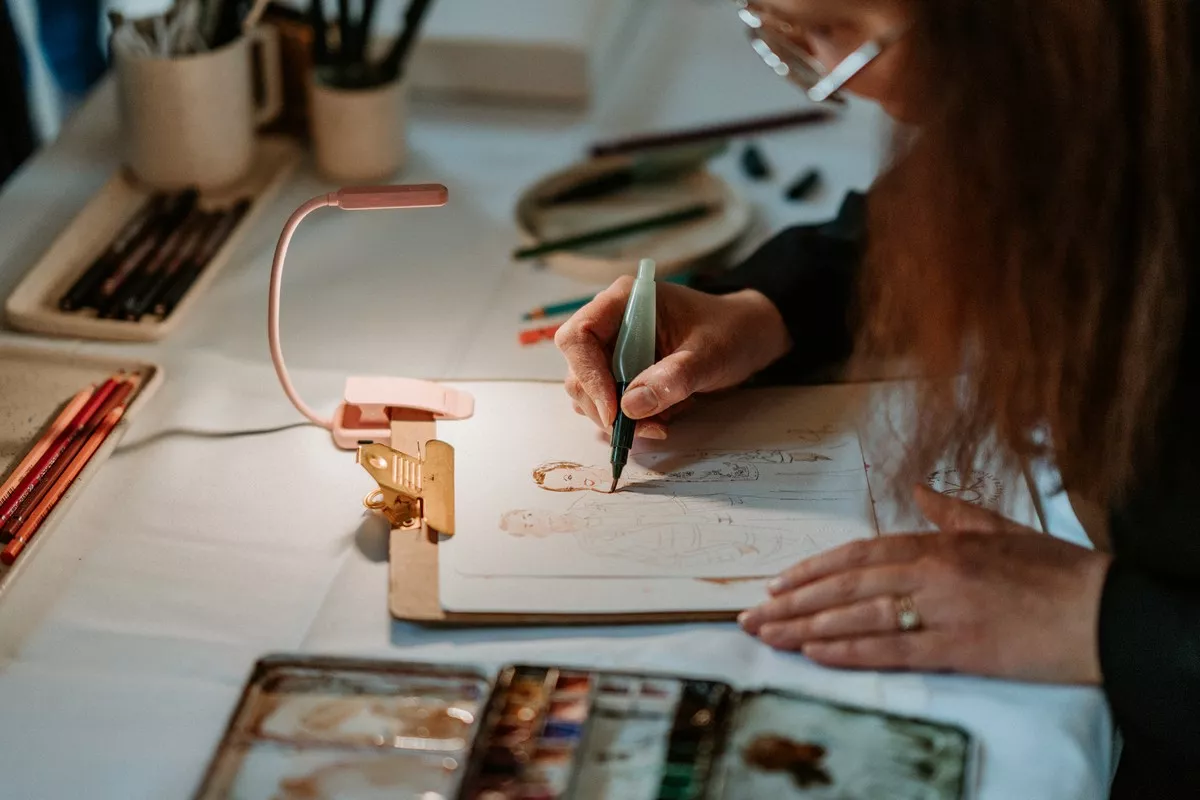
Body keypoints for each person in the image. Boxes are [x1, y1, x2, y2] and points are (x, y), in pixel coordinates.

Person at [553, 1, 1199, 795]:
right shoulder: (1107, 65)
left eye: (841, 31)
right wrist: (772, 307)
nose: (837, 82)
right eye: (785, 28)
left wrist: (1107, 626)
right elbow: (999, 161)